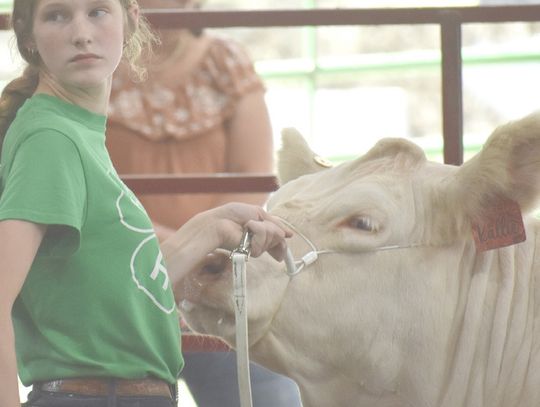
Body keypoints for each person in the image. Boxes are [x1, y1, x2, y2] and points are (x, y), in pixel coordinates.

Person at [0, 1, 291, 406]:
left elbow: (123, 292)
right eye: (57, 15)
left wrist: (214, 226)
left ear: (130, 20)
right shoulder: (52, 139)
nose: (81, 32)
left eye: (98, 11)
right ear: (27, 35)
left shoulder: (75, 130)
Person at [106, 1, 303, 406]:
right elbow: (96, 188)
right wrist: (186, 246)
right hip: (125, 275)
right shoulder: (96, 64)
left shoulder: (225, 61)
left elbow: (252, 176)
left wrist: (202, 250)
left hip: (218, 273)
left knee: (270, 393)